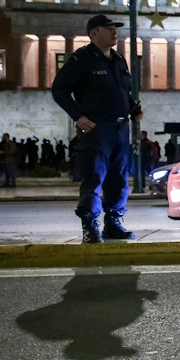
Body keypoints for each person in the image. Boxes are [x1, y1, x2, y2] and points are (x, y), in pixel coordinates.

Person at [51, 14, 142, 243]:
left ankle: (113, 222)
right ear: (93, 34)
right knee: (94, 177)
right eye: (108, 28)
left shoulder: (119, 59)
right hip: (96, 128)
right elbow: (59, 89)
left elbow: (123, 91)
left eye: (115, 28)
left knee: (119, 178)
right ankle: (90, 226)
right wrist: (78, 116)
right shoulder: (82, 60)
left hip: (120, 127)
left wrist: (133, 109)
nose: (114, 32)